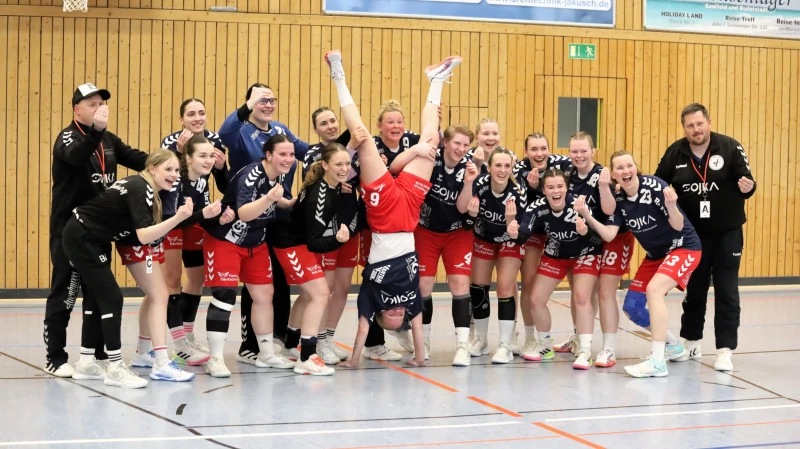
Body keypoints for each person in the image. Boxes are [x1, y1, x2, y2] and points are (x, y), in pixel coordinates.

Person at [326, 49, 456, 368]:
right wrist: (421, 359)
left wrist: (354, 361)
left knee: (362, 138)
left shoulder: (372, 297)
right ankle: (436, 80)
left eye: (393, 315)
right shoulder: (410, 299)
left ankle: (338, 75)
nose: (399, 312)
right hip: (410, 208)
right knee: (431, 140)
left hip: (383, 213)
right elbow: (418, 327)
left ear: (383, 315)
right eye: (401, 315)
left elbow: (360, 331)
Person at [62, 149, 194, 388]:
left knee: (96, 298)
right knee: (113, 298)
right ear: (152, 168)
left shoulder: (144, 187)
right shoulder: (140, 188)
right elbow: (143, 236)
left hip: (92, 236)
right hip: (82, 237)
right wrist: (178, 218)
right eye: (168, 169)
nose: (174, 175)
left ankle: (85, 363)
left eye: (176, 170)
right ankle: (115, 367)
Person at [45, 83, 149, 377]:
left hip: (98, 230)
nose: (99, 108)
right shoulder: (68, 137)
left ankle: (95, 353)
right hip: (69, 230)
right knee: (66, 293)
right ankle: (55, 357)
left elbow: (139, 159)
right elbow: (76, 156)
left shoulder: (108, 139)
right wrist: (95, 132)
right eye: (92, 104)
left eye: (101, 103)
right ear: (77, 109)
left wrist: (173, 157)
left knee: (97, 292)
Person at [576, 150, 702, 378]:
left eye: (629, 166)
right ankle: (673, 346)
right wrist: (586, 214)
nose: (626, 171)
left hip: (683, 247)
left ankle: (657, 361)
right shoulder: (620, 200)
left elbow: (678, 224)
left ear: (636, 167)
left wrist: (672, 206)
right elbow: (608, 235)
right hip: (655, 255)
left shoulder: (654, 187)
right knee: (632, 307)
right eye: (620, 168)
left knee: (654, 290)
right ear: (613, 174)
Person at [655, 103, 756, 372]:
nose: (696, 129)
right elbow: (658, 183)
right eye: (690, 125)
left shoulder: (730, 147)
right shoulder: (675, 152)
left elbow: (746, 180)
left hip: (727, 232)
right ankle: (691, 341)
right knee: (695, 290)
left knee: (727, 290)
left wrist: (749, 186)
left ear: (708, 123)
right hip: (692, 236)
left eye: (700, 124)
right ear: (684, 128)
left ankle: (724, 350)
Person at [217, 83, 307, 364]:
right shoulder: (240, 130)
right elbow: (224, 133)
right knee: (249, 287)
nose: (267, 105)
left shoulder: (280, 131)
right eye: (261, 100)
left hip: (275, 215)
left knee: (271, 285)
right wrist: (248, 105)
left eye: (271, 100)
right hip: (245, 222)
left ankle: (273, 343)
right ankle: (249, 345)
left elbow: (307, 152)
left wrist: (348, 146)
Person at [201, 134, 299, 377]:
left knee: (265, 294)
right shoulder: (252, 175)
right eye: (282, 154)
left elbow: (275, 203)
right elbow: (244, 213)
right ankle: (215, 359)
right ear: (268, 155)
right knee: (224, 297)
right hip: (226, 240)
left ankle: (265, 354)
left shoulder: (280, 173)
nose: (288, 159)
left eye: (291, 154)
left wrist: (290, 203)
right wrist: (269, 199)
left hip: (255, 241)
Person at [272, 143, 359, 374]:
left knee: (309, 294)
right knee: (320, 293)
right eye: (338, 164)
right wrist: (338, 242)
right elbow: (314, 242)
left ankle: (291, 345)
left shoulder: (332, 186)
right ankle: (307, 356)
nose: (344, 169)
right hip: (290, 243)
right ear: (325, 165)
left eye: (347, 164)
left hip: (297, 242)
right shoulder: (319, 196)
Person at [396, 125, 477, 366]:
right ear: (446, 143)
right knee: (423, 285)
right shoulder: (431, 158)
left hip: (457, 233)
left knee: (460, 284)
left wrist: (469, 183)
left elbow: (463, 208)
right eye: (456, 143)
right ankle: (424, 342)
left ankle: (462, 345)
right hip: (426, 230)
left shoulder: (470, 167)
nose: (461, 149)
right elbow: (397, 169)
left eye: (465, 145)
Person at [507, 168, 603, 369]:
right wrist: (513, 231)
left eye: (560, 186)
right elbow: (523, 235)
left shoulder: (579, 205)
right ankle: (545, 345)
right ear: (544, 190)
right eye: (550, 187)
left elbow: (598, 239)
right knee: (535, 299)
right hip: (556, 255)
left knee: (581, 297)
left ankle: (585, 350)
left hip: (586, 253)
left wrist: (585, 232)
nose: (555, 191)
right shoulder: (538, 207)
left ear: (566, 188)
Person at [160, 98, 229, 365]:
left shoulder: (214, 141)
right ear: (182, 120)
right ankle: (179, 343)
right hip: (174, 216)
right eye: (191, 114)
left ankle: (187, 337)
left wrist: (221, 167)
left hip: (197, 213)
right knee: (172, 280)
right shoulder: (171, 145)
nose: (197, 117)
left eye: (202, 112)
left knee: (196, 279)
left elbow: (221, 181)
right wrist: (177, 153)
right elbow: (165, 179)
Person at [559, 132, 632, 368]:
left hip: (612, 237)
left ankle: (609, 349)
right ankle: (580, 337)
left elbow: (610, 210)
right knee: (580, 292)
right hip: (584, 237)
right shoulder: (568, 175)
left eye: (583, 151)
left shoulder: (603, 175)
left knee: (605, 293)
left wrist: (603, 187)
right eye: (574, 151)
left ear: (593, 152)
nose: (578, 155)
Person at [302, 107, 357, 364]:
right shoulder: (315, 154)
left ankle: (327, 339)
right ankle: (318, 340)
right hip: (327, 231)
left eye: (333, 120)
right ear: (316, 130)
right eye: (323, 123)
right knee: (326, 287)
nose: (331, 126)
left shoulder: (348, 150)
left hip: (350, 227)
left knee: (343, 287)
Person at [465, 147, 528, 363]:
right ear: (489, 167)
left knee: (504, 287)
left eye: (507, 166)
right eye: (498, 165)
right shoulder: (479, 185)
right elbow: (466, 220)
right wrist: (471, 215)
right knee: (479, 286)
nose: (502, 170)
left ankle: (505, 344)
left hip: (509, 241)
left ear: (512, 168)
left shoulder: (518, 192)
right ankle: (481, 340)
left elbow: (521, 234)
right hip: (484, 238)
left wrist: (511, 224)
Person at [513, 133, 572, 358]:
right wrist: (531, 189)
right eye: (534, 149)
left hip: (563, 231)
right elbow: (524, 208)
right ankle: (530, 337)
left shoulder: (563, 164)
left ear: (549, 149)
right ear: (526, 151)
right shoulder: (519, 171)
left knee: (579, 288)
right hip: (535, 233)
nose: (539, 154)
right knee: (528, 283)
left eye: (543, 148)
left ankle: (578, 337)